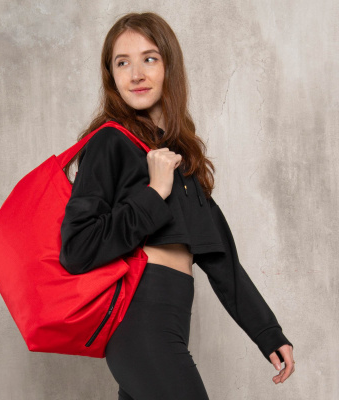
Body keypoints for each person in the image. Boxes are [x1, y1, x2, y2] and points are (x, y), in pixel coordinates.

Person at [59, 12, 295, 400]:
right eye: (122, 63)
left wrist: (268, 332)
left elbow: (221, 259)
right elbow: (77, 249)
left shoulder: (179, 156)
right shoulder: (109, 143)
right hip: (139, 321)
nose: (136, 74)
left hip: (171, 320)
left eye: (149, 59)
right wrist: (154, 193)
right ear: (111, 75)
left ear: (170, 66)